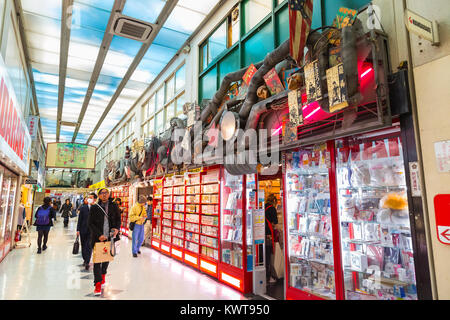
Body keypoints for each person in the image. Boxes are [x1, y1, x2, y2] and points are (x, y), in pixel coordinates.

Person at [88, 188, 121, 296]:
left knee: (106, 259)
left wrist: (116, 228)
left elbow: (118, 219)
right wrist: (99, 235)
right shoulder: (94, 208)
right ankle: (97, 284)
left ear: (109, 194)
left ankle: (103, 276)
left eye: (106, 193)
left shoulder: (114, 206)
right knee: (97, 262)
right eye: (102, 193)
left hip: (110, 237)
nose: (104, 195)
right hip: (98, 238)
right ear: (99, 196)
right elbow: (90, 223)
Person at [77, 193, 97, 270]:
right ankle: (85, 258)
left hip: (92, 231)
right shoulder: (83, 208)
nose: (89, 199)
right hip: (83, 229)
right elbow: (80, 220)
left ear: (95, 199)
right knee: (83, 245)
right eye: (88, 197)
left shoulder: (97, 208)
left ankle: (87, 261)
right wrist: (78, 230)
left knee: (89, 246)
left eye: (91, 197)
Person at [265, 194, 279, 284]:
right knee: (268, 256)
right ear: (274, 201)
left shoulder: (263, 206)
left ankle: (264, 276)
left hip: (261, 234)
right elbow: (275, 222)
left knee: (263, 256)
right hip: (269, 234)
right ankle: (268, 277)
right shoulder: (272, 209)